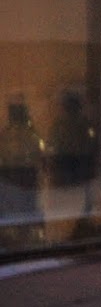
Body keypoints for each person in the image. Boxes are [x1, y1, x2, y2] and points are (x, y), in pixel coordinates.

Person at [0, 97, 47, 249]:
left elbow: (39, 153)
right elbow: (40, 153)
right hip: (24, 177)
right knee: (26, 207)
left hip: (13, 176)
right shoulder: (30, 134)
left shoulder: (7, 134)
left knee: (15, 207)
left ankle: (18, 237)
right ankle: (24, 236)